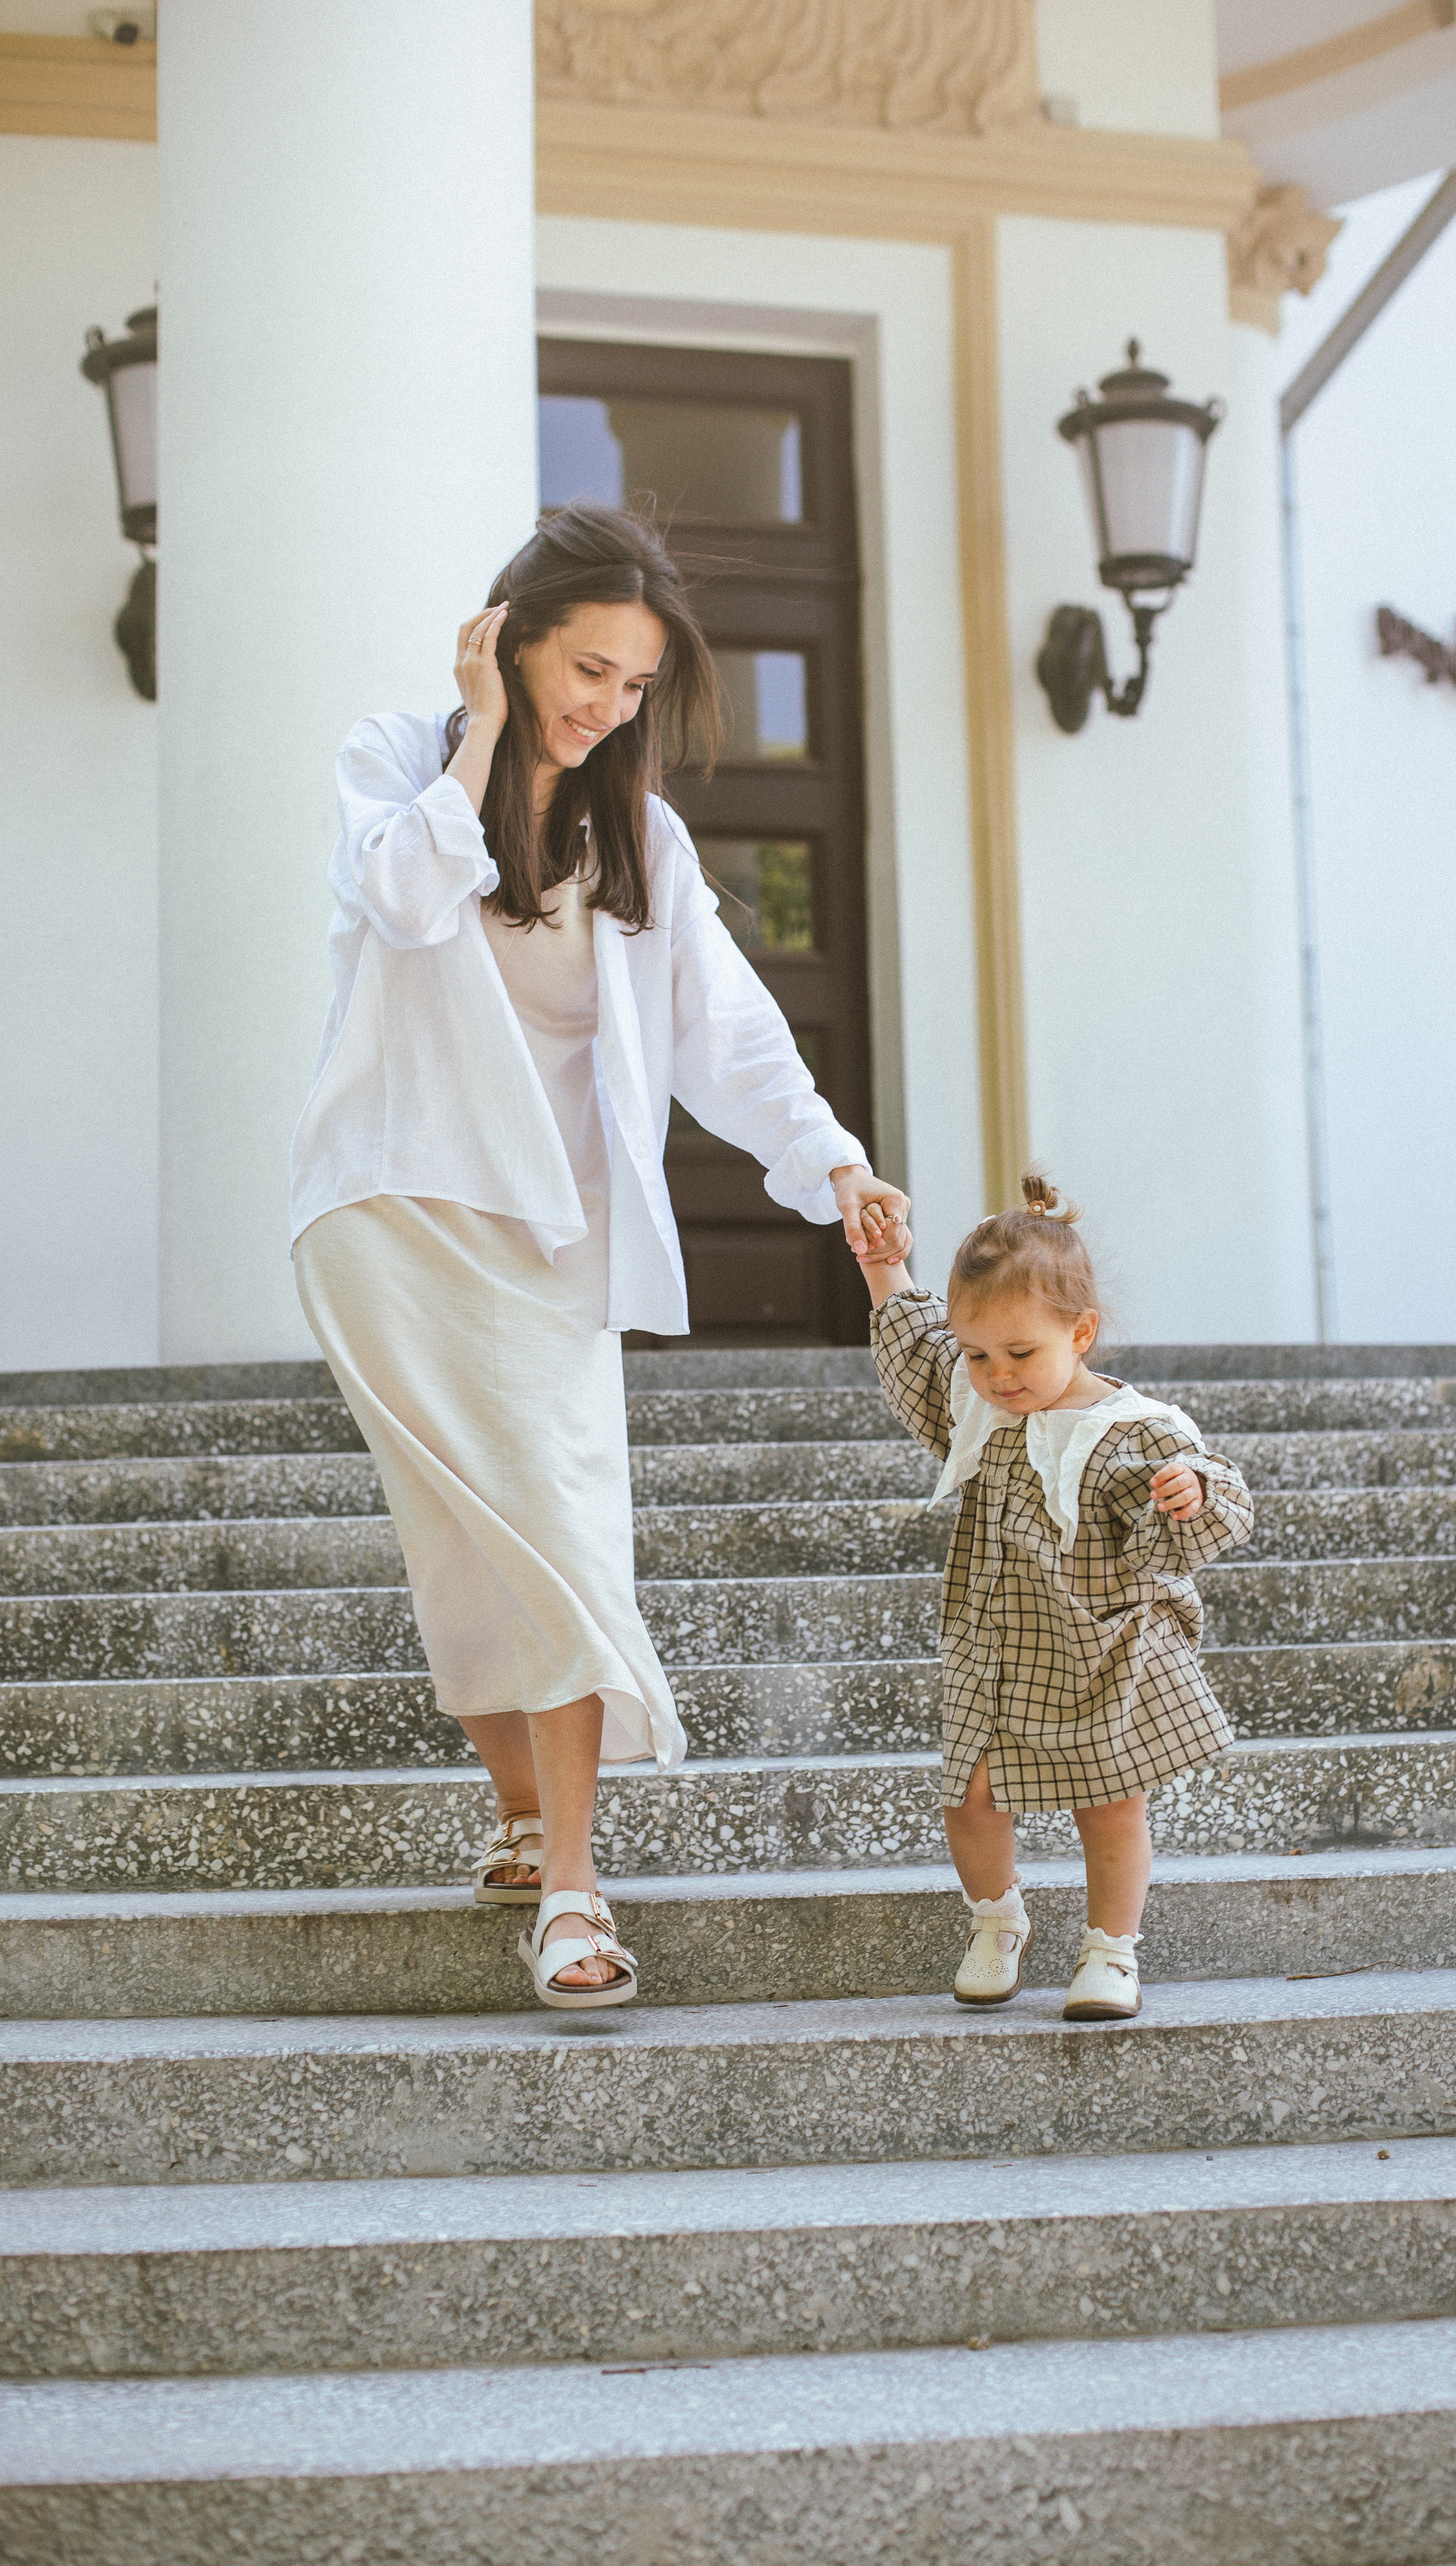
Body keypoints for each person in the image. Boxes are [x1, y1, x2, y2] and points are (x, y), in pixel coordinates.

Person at [289, 503, 907, 2012]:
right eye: (582, 667)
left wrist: (828, 1157)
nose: (604, 705)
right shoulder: (396, 762)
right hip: (393, 1216)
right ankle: (521, 1814)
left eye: (631, 683)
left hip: (554, 1241)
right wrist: (482, 736)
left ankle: (569, 1883)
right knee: (464, 1550)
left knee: (565, 1536)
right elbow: (404, 897)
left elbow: (725, 1023)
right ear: (507, 634)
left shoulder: (640, 833)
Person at [853, 1173, 1252, 2019]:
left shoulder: (1133, 1430)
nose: (997, 1376)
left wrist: (1189, 1491)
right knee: (970, 1796)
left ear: (1081, 1332)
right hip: (996, 1647)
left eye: (1021, 1355)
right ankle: (997, 1922)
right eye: (981, 1354)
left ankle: (1111, 1950)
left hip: (1099, 1647)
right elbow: (920, 1351)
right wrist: (885, 1266)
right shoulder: (976, 1406)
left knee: (1108, 1804)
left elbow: (1209, 1503)